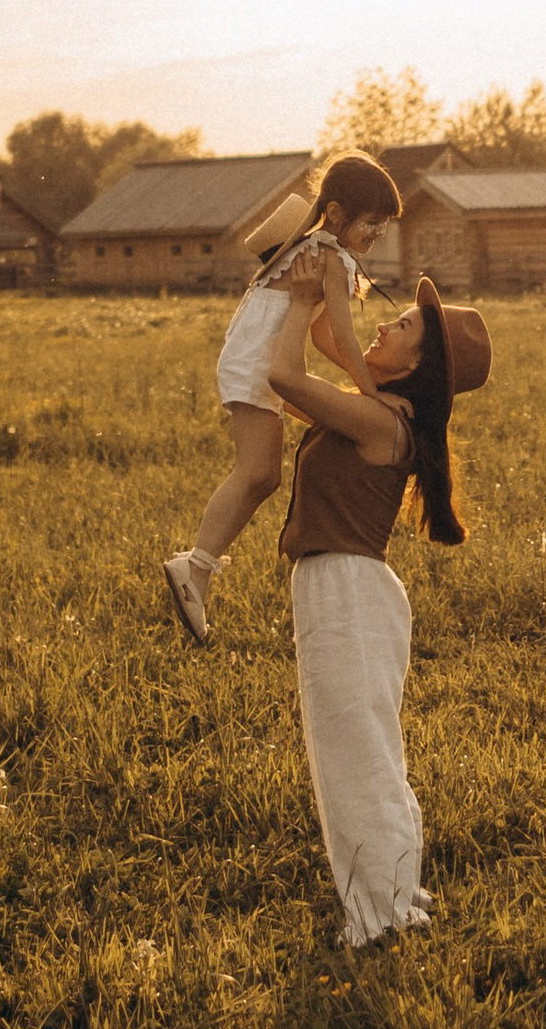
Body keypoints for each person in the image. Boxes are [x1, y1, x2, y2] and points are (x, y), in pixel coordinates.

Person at [269, 272, 490, 949]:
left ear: (420, 363)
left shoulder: (377, 419)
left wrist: (304, 297)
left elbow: (284, 375)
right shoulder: (378, 405)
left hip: (348, 592)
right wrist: (328, 287)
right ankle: (395, 897)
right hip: (344, 588)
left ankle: (384, 918)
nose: (389, 325)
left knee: (356, 761)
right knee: (364, 755)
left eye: (407, 327)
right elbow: (327, 341)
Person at [162, 153, 402, 645]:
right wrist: (374, 395)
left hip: (253, 361)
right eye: (372, 222)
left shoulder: (315, 249)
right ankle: (195, 568)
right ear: (336, 214)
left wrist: (364, 387)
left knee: (271, 469)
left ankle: (198, 567)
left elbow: (323, 341)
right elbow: (345, 337)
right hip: (256, 365)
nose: (379, 233)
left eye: (385, 225)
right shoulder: (328, 258)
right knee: (257, 472)